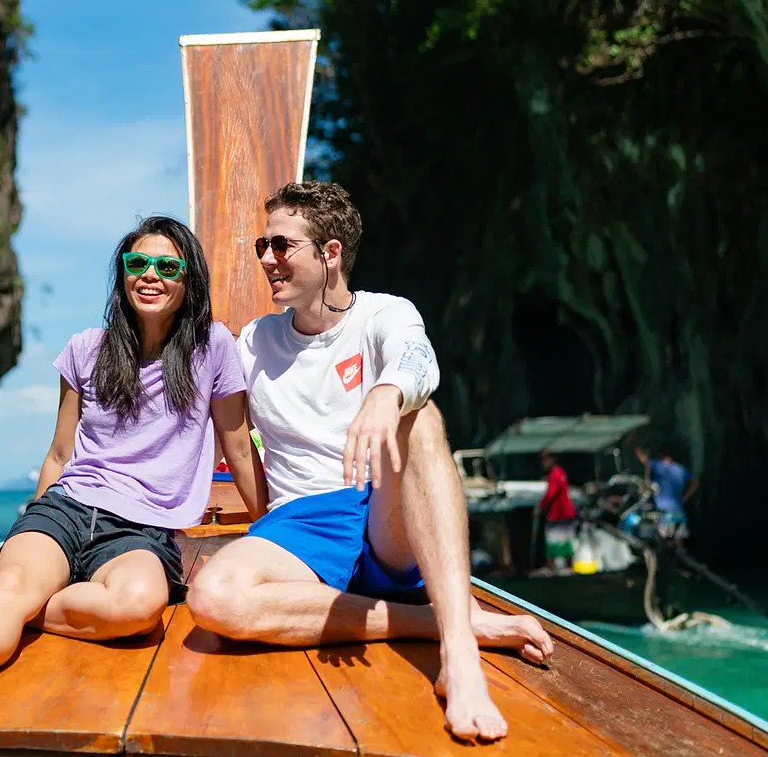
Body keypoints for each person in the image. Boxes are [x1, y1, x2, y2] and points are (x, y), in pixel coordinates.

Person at [186, 182, 553, 744]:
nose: (266, 258)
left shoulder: (384, 313)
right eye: (263, 245)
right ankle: (434, 621)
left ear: (330, 253)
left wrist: (388, 393)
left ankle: (460, 658)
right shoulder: (255, 342)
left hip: (382, 513)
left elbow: (416, 359)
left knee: (420, 416)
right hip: (302, 522)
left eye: (281, 245)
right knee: (213, 599)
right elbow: (218, 433)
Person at [0, 215, 266, 716]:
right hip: (66, 508)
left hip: (141, 529)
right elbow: (59, 454)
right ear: (122, 273)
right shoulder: (87, 348)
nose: (150, 274)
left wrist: (271, 536)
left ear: (188, 280)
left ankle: (15, 603)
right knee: (15, 584)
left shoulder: (212, 348)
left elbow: (239, 449)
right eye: (137, 263)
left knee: (138, 607)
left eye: (167, 266)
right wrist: (19, 541)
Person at [635, 443, 696, 538]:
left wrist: (635, 445)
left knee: (663, 541)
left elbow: (644, 460)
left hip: (665, 513)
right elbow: (695, 482)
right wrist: (685, 498)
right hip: (679, 512)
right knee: (679, 541)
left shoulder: (658, 465)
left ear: (662, 455)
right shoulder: (681, 469)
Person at [537, 449, 576, 573]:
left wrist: (541, 506)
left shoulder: (555, 473)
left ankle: (551, 569)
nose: (543, 463)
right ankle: (569, 568)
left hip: (558, 513)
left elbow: (551, 493)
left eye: (545, 459)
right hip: (567, 513)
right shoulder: (561, 472)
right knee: (567, 539)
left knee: (552, 540)